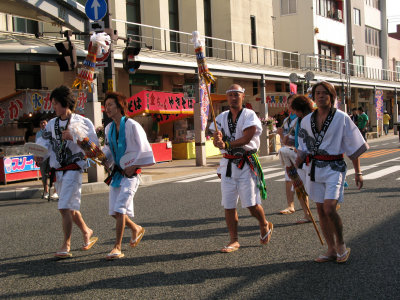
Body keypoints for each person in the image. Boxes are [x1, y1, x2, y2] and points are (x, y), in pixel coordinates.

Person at [295, 81, 368, 263]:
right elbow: (303, 148)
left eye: (324, 93)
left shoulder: (342, 118)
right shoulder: (306, 120)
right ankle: (331, 249)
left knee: (329, 207)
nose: (320, 96)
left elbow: (353, 147)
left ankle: (341, 243)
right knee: (320, 209)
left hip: (334, 167)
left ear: (332, 96)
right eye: (317, 93)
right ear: (313, 97)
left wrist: (358, 172)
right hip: (313, 168)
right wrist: (295, 166)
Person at [35, 85, 98, 259]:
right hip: (58, 171)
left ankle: (66, 244)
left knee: (64, 207)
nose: (53, 107)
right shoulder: (52, 124)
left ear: (64, 103)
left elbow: (94, 148)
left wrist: (75, 138)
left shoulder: (82, 121)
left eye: (55, 103)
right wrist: (40, 156)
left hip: (74, 169)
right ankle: (87, 231)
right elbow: (45, 145)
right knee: (69, 206)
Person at [210, 84, 272, 253]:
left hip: (246, 163)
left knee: (251, 204)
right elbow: (218, 143)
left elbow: (247, 137)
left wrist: (227, 143)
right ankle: (234, 240)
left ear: (243, 96)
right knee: (228, 205)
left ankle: (264, 223)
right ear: (227, 97)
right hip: (228, 164)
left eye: (236, 94)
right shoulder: (222, 117)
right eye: (230, 95)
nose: (233, 98)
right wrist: (217, 140)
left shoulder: (249, 115)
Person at [102, 92, 155, 260]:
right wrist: (100, 156)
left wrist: (134, 165)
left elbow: (145, 148)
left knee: (119, 209)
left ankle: (117, 247)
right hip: (117, 173)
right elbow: (109, 150)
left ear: (120, 106)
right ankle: (136, 228)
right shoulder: (109, 128)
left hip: (131, 174)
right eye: (106, 105)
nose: (107, 108)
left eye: (110, 104)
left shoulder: (132, 125)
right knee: (114, 212)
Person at [284, 95, 314, 224]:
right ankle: (307, 214)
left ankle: (327, 211)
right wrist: (286, 139)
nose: (293, 111)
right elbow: (294, 140)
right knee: (299, 187)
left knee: (316, 187)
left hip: (313, 159)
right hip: (298, 158)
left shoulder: (314, 119)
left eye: (295, 108)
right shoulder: (297, 120)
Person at [276, 94, 297, 215]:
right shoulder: (286, 120)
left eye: (293, 103)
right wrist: (280, 134)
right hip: (289, 153)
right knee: (289, 178)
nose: (291, 106)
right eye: (289, 103)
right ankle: (290, 205)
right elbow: (284, 141)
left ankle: (326, 201)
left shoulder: (304, 118)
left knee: (307, 181)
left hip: (301, 153)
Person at [36, 118, 59, 201]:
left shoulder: (52, 132)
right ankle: (46, 192)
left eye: (44, 123)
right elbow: (36, 146)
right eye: (41, 123)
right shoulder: (38, 134)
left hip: (52, 155)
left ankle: (55, 192)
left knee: (55, 173)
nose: (43, 124)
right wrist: (37, 157)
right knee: (44, 174)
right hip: (42, 156)